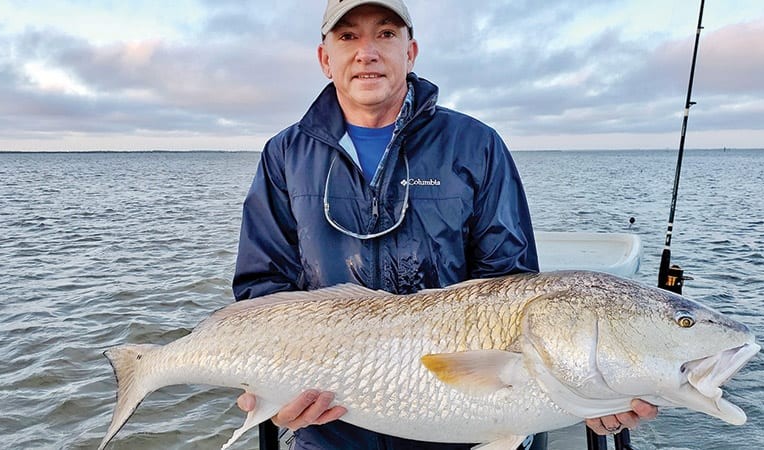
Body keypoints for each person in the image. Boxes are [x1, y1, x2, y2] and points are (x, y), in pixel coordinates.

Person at [232, 0, 658, 448]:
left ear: (410, 52)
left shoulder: (476, 145)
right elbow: (263, 288)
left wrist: (586, 393)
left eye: (386, 34)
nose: (367, 52)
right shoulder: (285, 154)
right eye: (347, 36)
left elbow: (511, 289)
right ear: (325, 59)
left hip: (461, 418)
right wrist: (274, 386)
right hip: (329, 421)